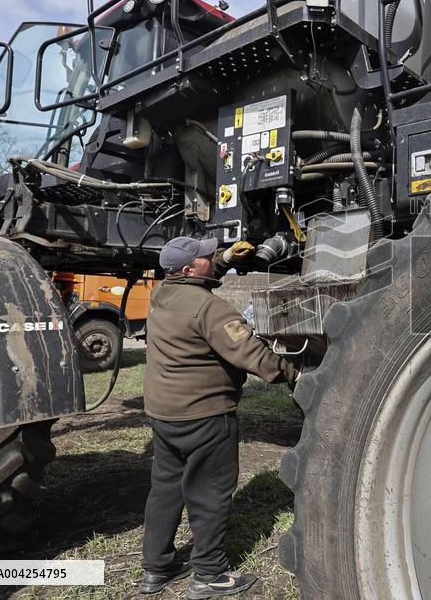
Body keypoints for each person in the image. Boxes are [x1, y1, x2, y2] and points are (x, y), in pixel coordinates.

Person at [138, 236, 296, 598]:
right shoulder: (212, 309)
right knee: (209, 494)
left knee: (165, 489)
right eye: (206, 256)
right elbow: (252, 354)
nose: (212, 257)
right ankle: (209, 575)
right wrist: (295, 374)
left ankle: (156, 569)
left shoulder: (162, 293)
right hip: (204, 415)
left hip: (164, 413)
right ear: (191, 268)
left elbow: (193, 282)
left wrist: (224, 258)